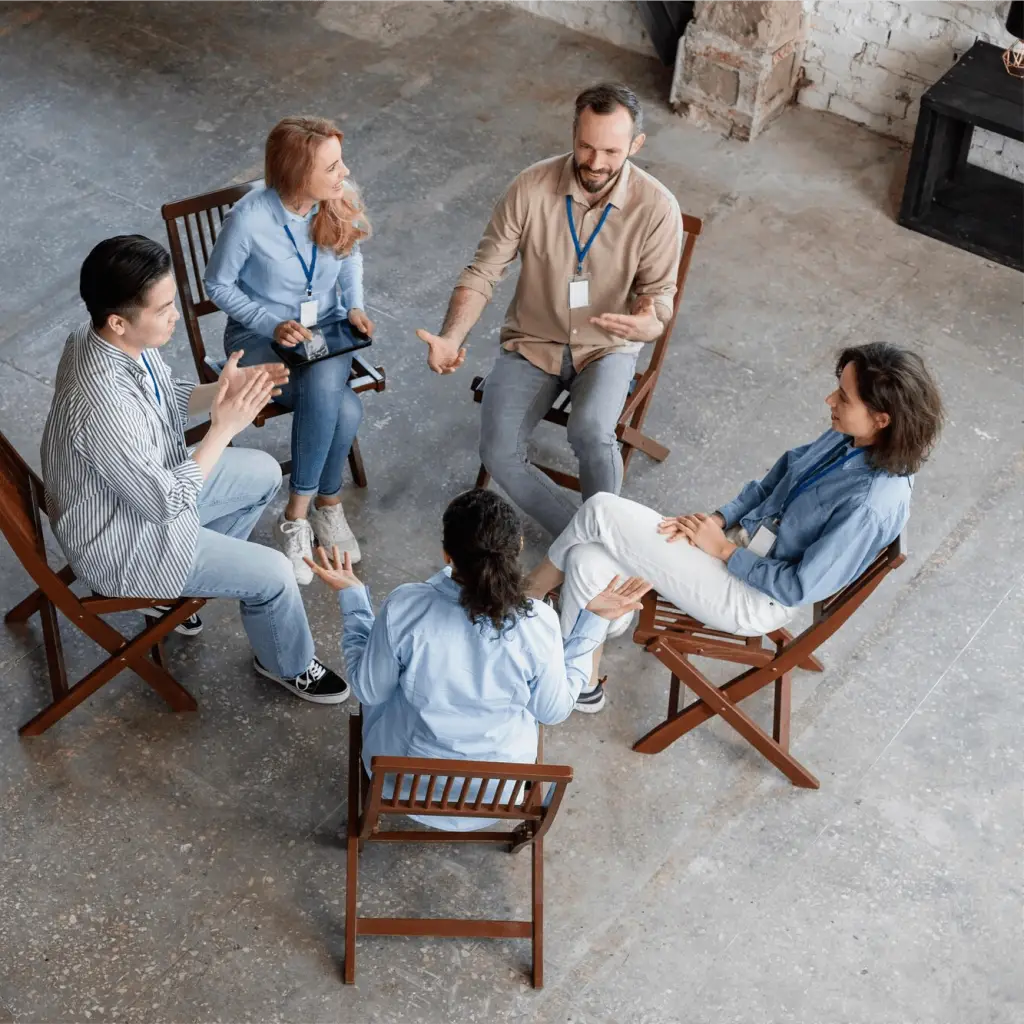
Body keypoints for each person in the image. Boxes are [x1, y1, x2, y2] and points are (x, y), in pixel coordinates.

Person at [526, 343, 945, 711]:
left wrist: (722, 550)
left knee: (600, 509)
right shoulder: (849, 437)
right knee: (585, 558)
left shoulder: (870, 504)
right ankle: (583, 686)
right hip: (734, 545)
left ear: (882, 419)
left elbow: (800, 587)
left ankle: (520, 602)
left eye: (844, 397)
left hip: (751, 594)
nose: (829, 399)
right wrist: (719, 520)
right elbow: (773, 482)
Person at [40, 235, 350, 704]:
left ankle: (180, 592)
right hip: (124, 543)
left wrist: (221, 391)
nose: (173, 317)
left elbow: (165, 395)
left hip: (136, 499)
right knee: (272, 574)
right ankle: (285, 662)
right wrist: (222, 428)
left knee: (264, 472)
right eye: (163, 309)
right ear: (119, 321)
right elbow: (165, 503)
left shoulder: (101, 338)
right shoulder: (100, 401)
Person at [416, 82, 682, 537]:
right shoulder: (530, 187)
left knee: (592, 434)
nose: (596, 163)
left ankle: (600, 538)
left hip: (606, 348)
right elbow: (483, 272)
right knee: (497, 453)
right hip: (533, 341)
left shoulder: (658, 208)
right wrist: (452, 336)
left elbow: (658, 300)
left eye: (612, 151)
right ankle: (585, 539)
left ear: (636, 144)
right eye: (586, 146)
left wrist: (645, 324)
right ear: (572, 132)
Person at [306, 489, 650, 829]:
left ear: (447, 555)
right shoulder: (539, 623)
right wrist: (592, 624)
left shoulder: (406, 607)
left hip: (404, 785)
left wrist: (354, 602)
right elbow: (553, 711)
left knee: (388, 682)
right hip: (497, 795)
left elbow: (370, 692)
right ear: (517, 547)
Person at [204, 115, 373, 583]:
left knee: (328, 383)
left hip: (323, 330)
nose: (344, 174)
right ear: (300, 175)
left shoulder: (336, 198)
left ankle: (298, 515)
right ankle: (323, 503)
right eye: (332, 167)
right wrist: (271, 323)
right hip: (258, 338)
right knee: (344, 408)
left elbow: (351, 254)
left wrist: (355, 306)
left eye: (340, 163)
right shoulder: (249, 219)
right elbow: (217, 284)